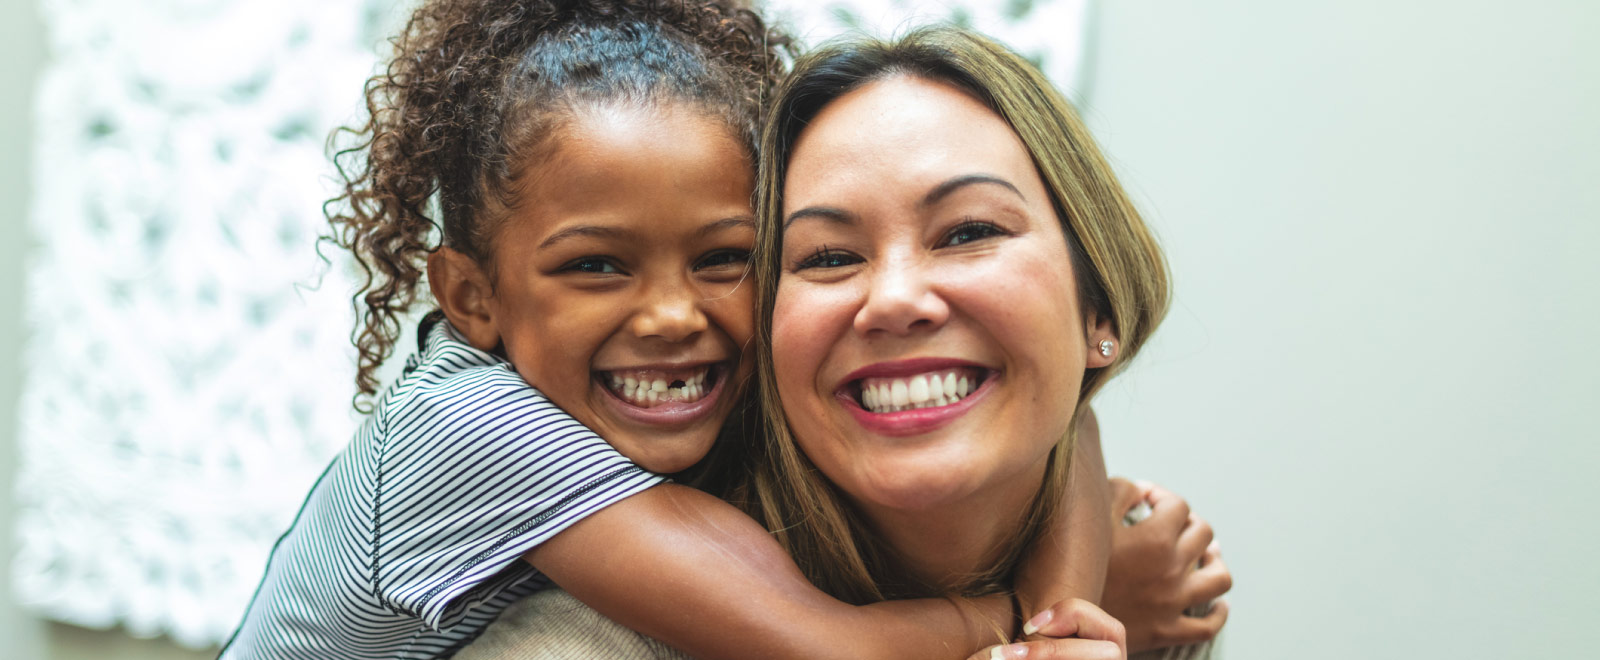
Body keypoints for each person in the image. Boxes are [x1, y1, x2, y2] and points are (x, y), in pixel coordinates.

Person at [221, 3, 1145, 659]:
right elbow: (828, 647)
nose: (673, 316)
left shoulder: (689, 403)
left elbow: (1073, 418)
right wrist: (1033, 612)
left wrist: (1076, 594)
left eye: (723, 259)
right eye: (595, 265)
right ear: (471, 299)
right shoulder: (467, 428)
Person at [456, 24, 1230, 660]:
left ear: (1102, 313)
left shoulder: (1143, 592)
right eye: (827, 256)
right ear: (768, 329)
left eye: (967, 232)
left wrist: (1070, 607)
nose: (892, 300)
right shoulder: (587, 639)